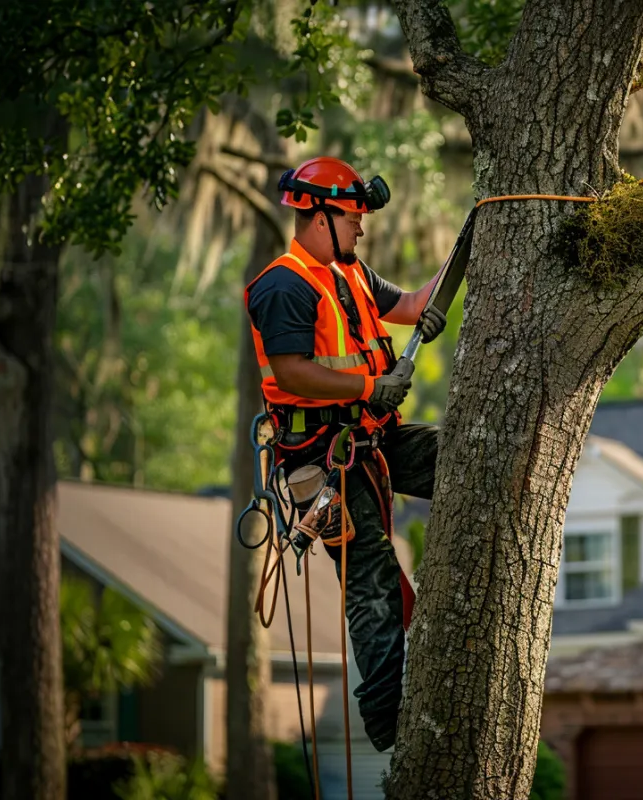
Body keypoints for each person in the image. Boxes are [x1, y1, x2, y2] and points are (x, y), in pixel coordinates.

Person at [244, 155, 447, 752]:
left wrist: (471, 252)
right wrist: (367, 387)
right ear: (320, 215)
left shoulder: (350, 273)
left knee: (466, 462)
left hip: (375, 438)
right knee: (373, 581)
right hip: (324, 459)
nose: (361, 227)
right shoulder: (283, 285)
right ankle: (390, 723)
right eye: (353, 215)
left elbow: (410, 305)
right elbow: (291, 371)